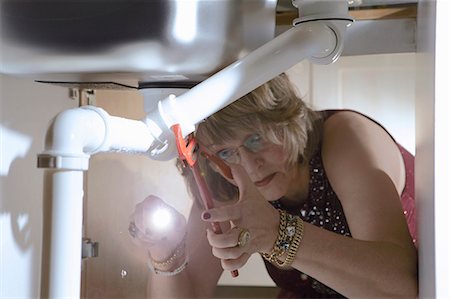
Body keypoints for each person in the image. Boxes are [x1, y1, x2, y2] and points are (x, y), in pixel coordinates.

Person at [128, 73, 417, 298]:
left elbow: (402, 288)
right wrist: (165, 250)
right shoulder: (224, 176)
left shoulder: (345, 138)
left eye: (256, 139)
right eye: (226, 152)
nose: (251, 166)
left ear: (285, 119)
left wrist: (278, 233)